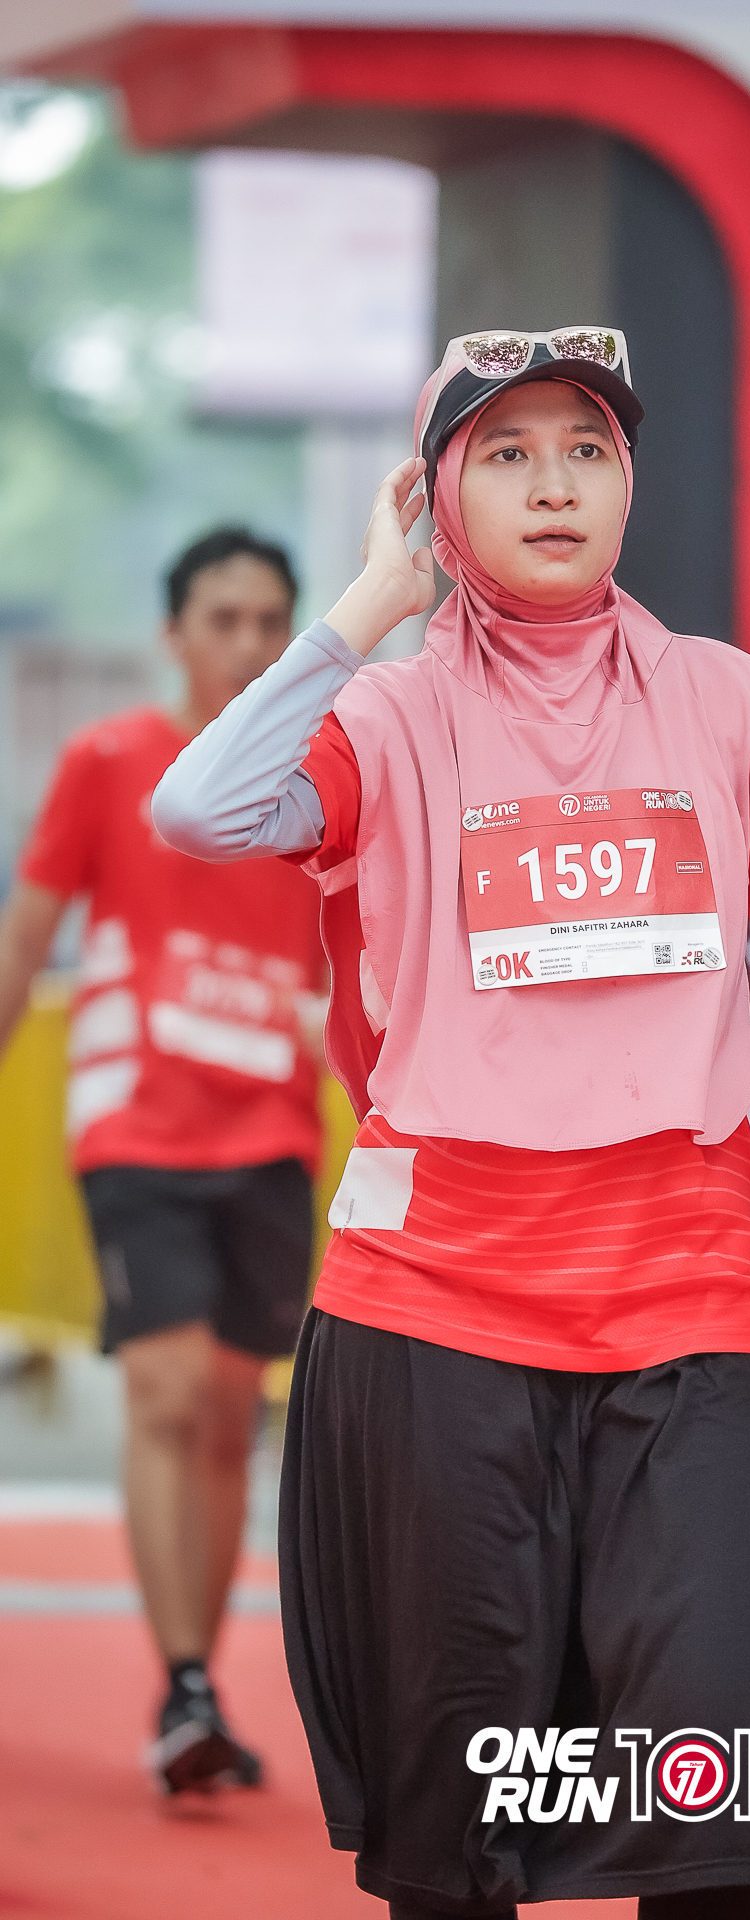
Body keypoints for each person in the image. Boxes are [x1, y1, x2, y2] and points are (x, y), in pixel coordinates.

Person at [154, 327, 750, 1917]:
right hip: (438, 1315)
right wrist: (373, 604)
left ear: (628, 483)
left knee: (719, 1791)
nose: (556, 486)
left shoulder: (730, 710)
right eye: (508, 455)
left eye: (588, 450)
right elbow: (201, 807)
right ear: (439, 495)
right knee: (463, 1820)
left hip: (685, 1306)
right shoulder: (387, 720)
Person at [0, 527, 327, 1792]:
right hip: (134, 1124)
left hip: (273, 1132)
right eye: (223, 618)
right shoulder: (110, 762)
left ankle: (200, 1688)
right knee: (167, 1393)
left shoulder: (318, 779)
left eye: (269, 621)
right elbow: (26, 934)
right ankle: (183, 1682)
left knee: (228, 1416)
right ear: (172, 634)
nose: (247, 642)